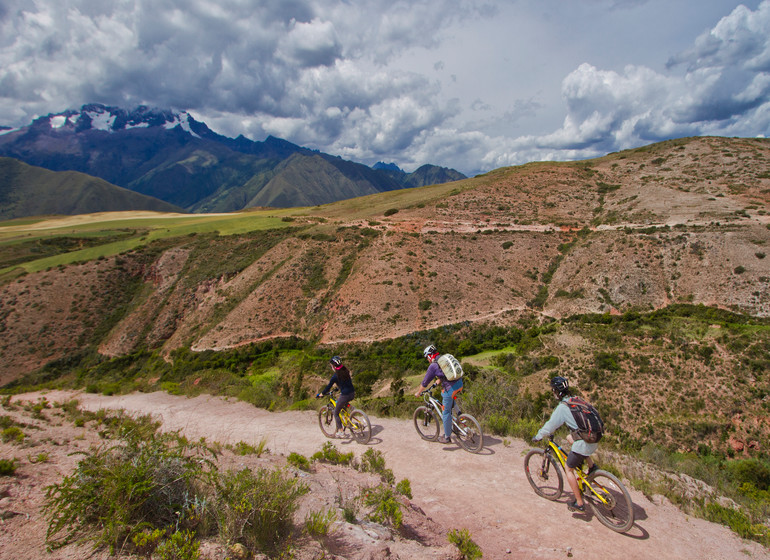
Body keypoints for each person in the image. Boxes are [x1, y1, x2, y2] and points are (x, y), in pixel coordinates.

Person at [532, 376, 598, 513]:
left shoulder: (562, 408)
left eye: (554, 390)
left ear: (557, 391)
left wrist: (538, 436)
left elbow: (550, 426)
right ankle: (591, 466)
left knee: (568, 469)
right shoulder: (577, 399)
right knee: (569, 437)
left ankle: (579, 503)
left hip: (585, 442)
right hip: (595, 436)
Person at [413, 344, 463, 444]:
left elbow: (424, 383)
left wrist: (418, 393)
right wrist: (436, 383)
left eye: (427, 357)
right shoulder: (443, 359)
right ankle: (460, 417)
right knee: (448, 397)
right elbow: (443, 375)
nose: (427, 360)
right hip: (460, 383)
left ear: (429, 356)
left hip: (451, 388)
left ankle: (447, 437)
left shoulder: (433, 366)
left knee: (446, 412)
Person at [316, 356, 355, 438]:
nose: (331, 367)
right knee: (343, 404)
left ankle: (341, 431)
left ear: (334, 366)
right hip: (352, 393)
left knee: (336, 412)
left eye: (331, 366)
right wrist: (338, 388)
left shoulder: (335, 376)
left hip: (345, 395)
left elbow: (328, 387)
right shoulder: (345, 370)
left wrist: (321, 394)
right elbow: (345, 382)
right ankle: (353, 410)